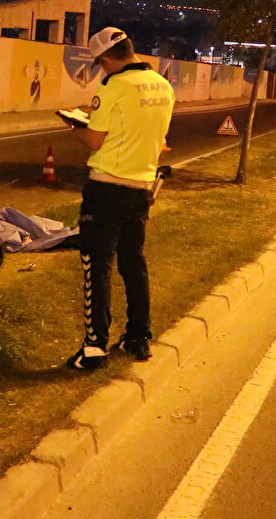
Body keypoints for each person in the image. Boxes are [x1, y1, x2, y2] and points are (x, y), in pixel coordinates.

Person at [65, 27, 174, 371]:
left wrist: (75, 127)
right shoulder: (163, 85)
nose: (101, 70)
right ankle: (139, 337)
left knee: (96, 267)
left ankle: (95, 347)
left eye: (100, 64)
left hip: (106, 189)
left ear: (108, 60)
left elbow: (95, 140)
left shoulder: (113, 86)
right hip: (141, 187)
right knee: (133, 263)